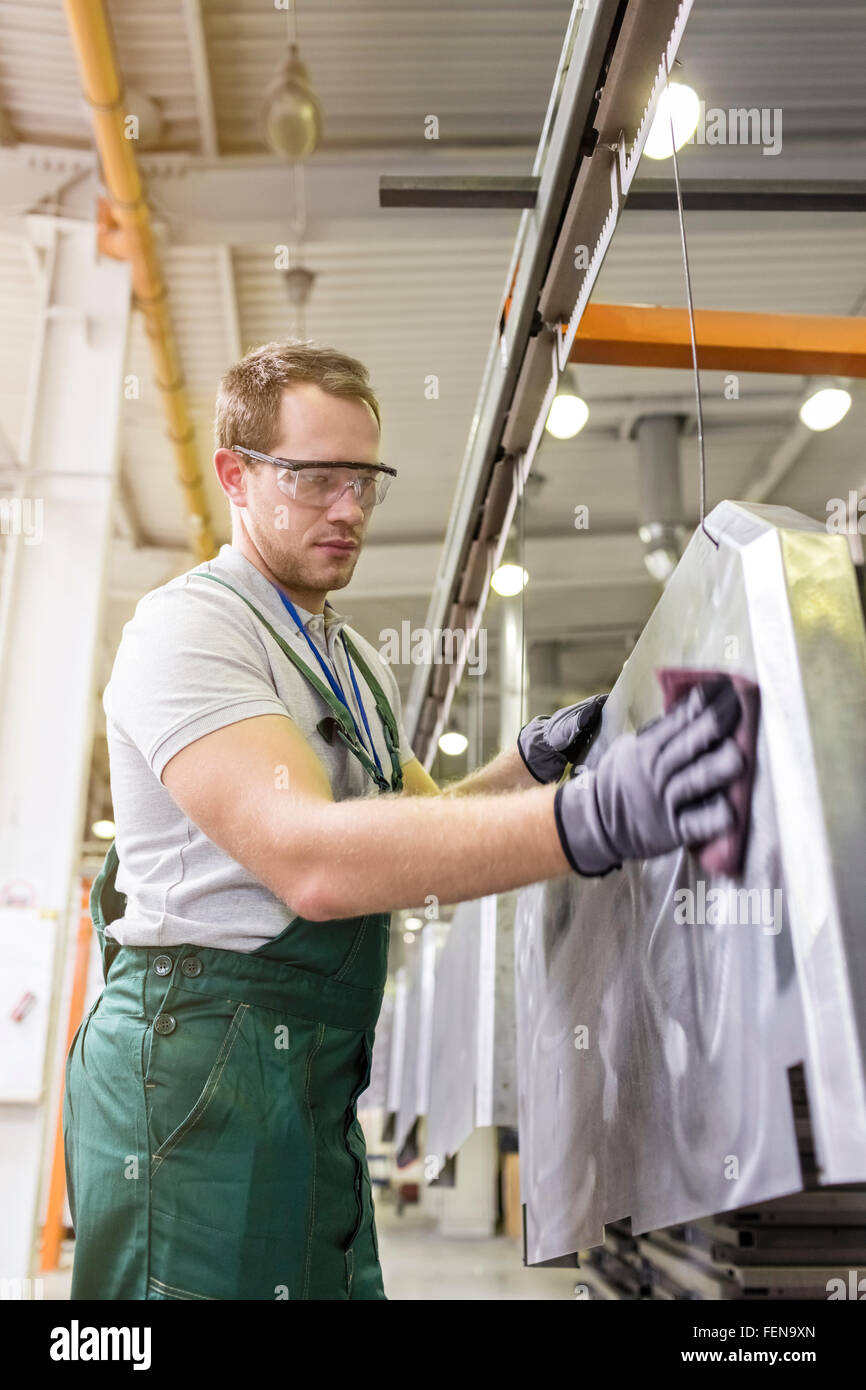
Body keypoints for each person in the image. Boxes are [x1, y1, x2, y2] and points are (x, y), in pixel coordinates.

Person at [63, 341, 744, 1301]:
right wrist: (587, 817)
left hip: (313, 1078)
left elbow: (416, 834)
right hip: (197, 1075)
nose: (347, 508)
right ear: (236, 475)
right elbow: (312, 861)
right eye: (314, 478)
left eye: (364, 480)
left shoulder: (355, 666)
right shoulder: (191, 630)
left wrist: (528, 766)